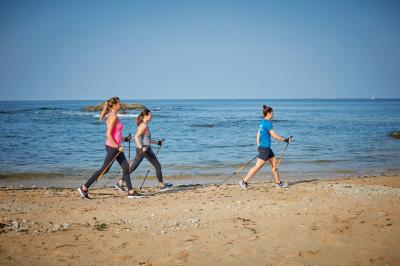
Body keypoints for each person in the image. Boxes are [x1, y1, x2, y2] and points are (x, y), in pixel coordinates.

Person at [78, 97, 143, 199]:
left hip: (116, 147)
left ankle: (131, 191)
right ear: (114, 105)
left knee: (125, 167)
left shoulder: (114, 116)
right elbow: (108, 134)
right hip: (113, 147)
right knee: (104, 169)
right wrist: (118, 146)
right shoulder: (113, 116)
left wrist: (125, 138)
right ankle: (84, 187)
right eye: (119, 103)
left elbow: (115, 135)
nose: (121, 105)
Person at [114, 108, 173, 192]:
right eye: (150, 115)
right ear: (146, 116)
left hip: (142, 149)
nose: (151, 117)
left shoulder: (144, 125)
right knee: (158, 166)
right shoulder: (144, 125)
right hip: (144, 149)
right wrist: (141, 147)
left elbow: (147, 139)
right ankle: (162, 185)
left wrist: (158, 142)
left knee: (133, 167)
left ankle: (120, 182)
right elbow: (136, 137)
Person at [239, 105, 293, 190]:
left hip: (265, 148)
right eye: (272, 113)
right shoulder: (268, 123)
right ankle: (244, 181)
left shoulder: (262, 122)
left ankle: (278, 183)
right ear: (268, 113)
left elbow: (258, 134)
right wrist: (285, 140)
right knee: (257, 167)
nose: (273, 115)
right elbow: (274, 135)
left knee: (274, 165)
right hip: (265, 149)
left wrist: (258, 145)